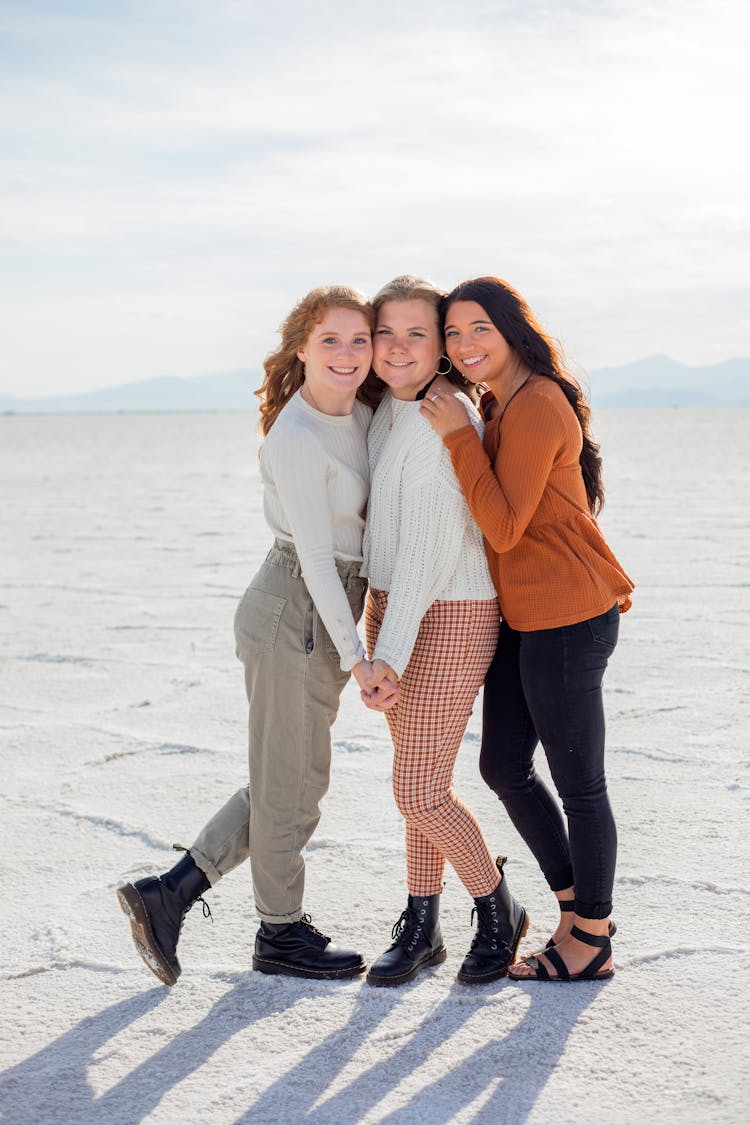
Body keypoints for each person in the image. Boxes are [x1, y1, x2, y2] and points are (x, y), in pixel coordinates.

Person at [117, 285, 398, 985]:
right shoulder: (297, 437)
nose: (346, 354)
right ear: (301, 347)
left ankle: (170, 892)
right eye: (330, 340)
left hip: (317, 607)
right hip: (295, 607)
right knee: (289, 784)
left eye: (359, 340)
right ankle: (279, 931)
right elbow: (315, 556)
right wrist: (358, 655)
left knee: (291, 777)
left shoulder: (362, 414)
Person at [420, 276, 634, 984]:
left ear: (514, 329)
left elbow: (506, 527)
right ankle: (576, 906)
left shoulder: (537, 401)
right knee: (502, 765)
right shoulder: (498, 401)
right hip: (525, 618)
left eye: (478, 327)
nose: (463, 344)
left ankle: (592, 939)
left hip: (570, 615)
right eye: (452, 332)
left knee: (581, 784)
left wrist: (456, 438)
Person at [361, 275, 528, 988]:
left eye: (417, 333)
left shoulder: (440, 413)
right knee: (420, 780)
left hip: (448, 612)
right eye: (385, 333)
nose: (398, 347)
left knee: (418, 790)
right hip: (394, 604)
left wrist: (388, 652)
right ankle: (422, 922)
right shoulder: (391, 410)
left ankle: (499, 909)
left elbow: (428, 549)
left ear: (441, 348)